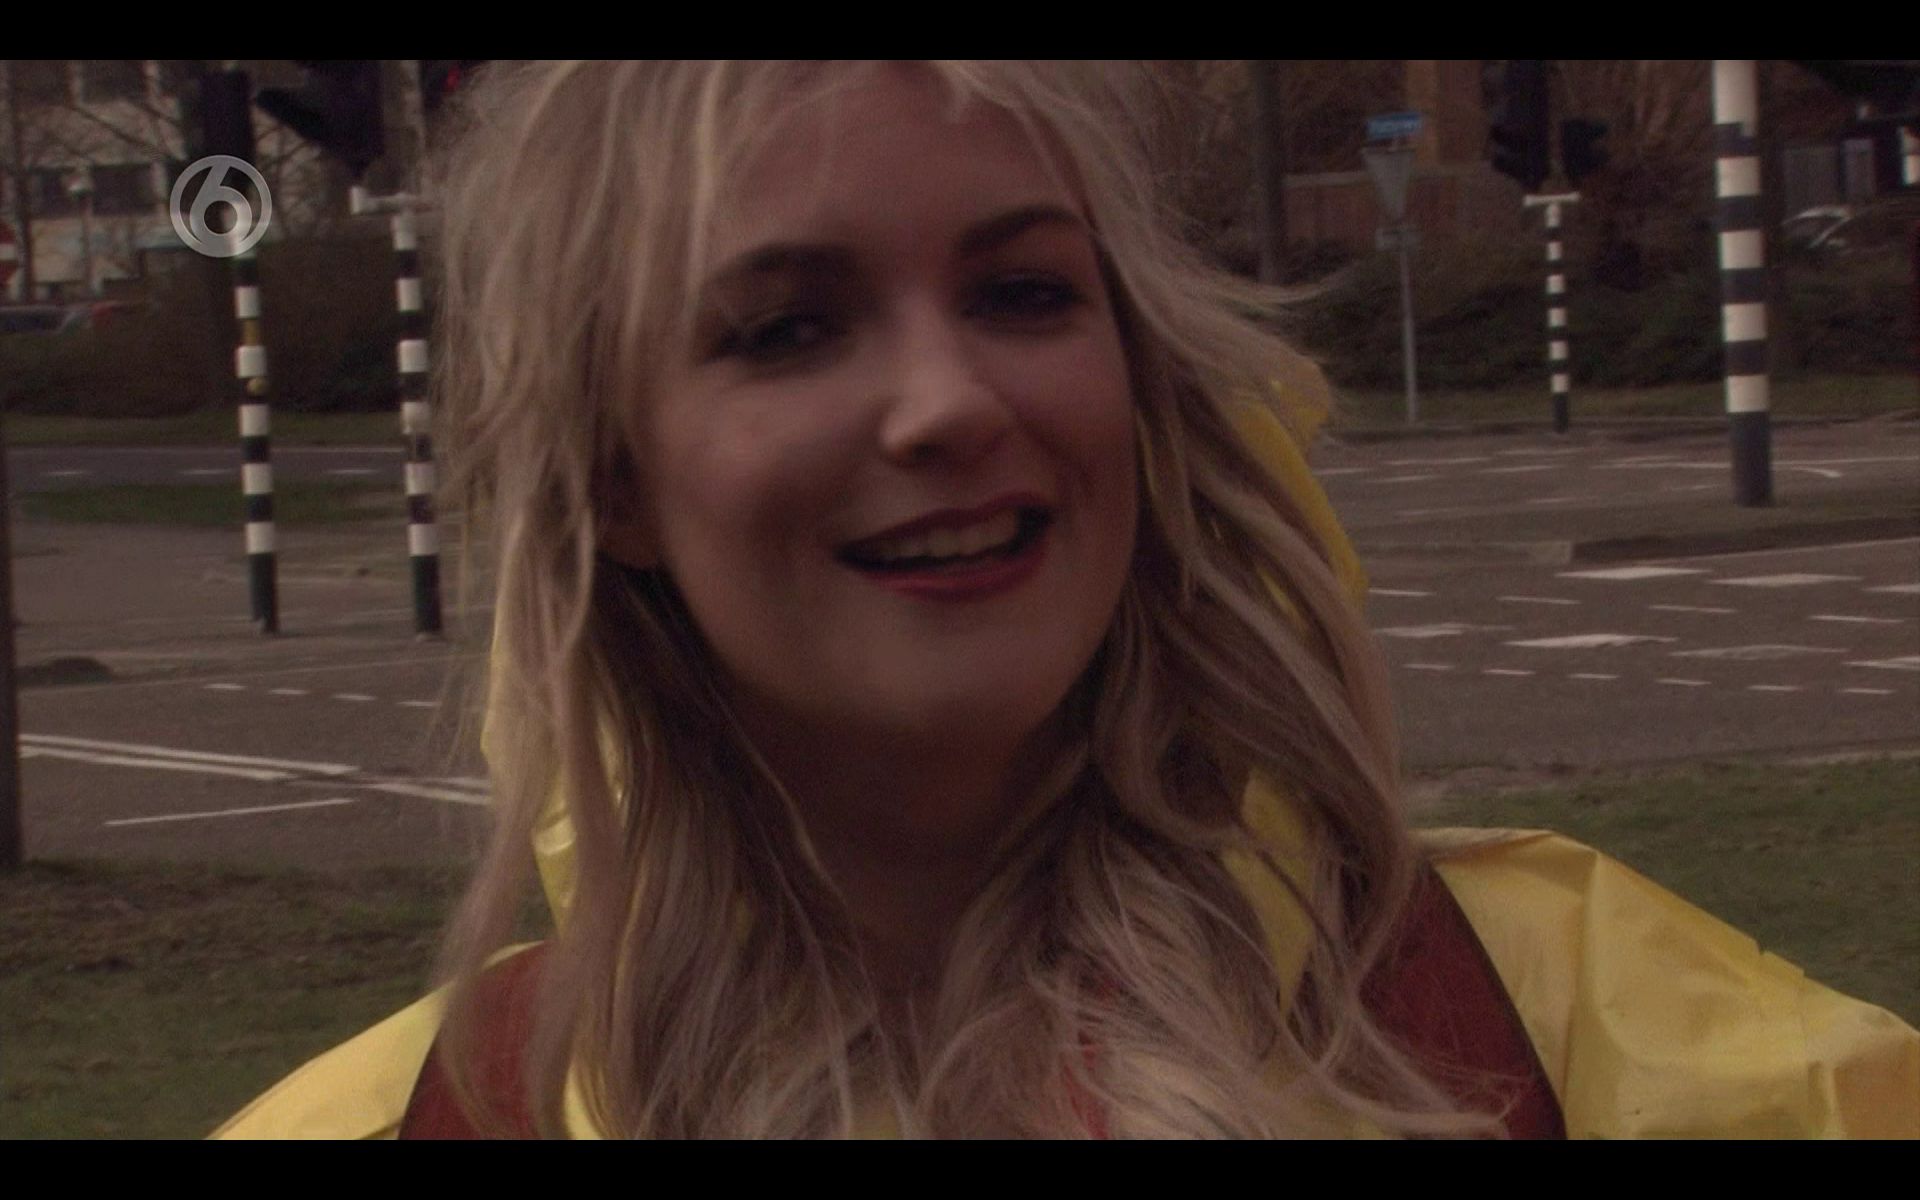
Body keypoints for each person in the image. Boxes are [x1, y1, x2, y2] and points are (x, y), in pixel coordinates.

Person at [217, 60, 1918, 1139]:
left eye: (1025, 291)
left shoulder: (1570, 1034)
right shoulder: (410, 1118)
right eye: (788, 328)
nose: (950, 403)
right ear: (612, 479)